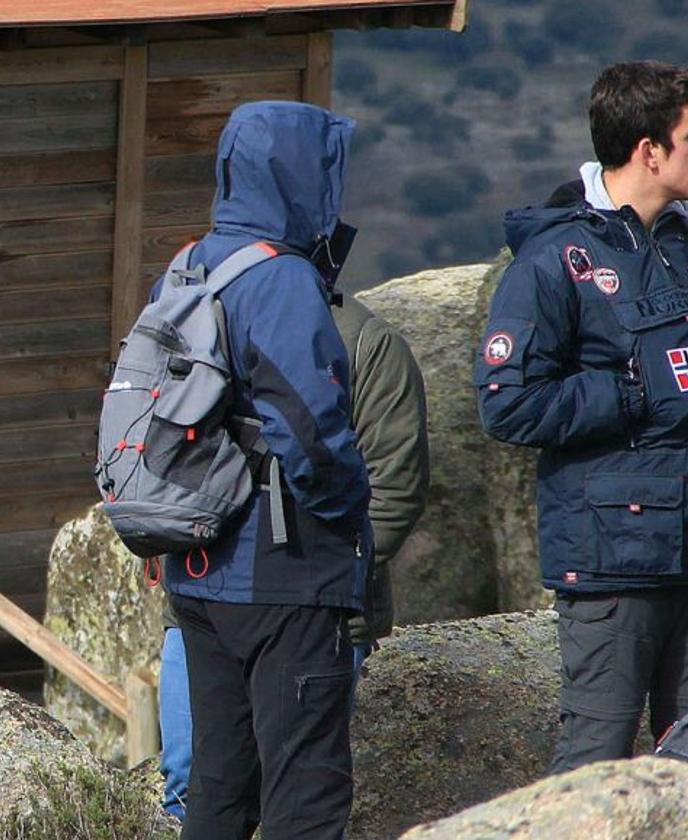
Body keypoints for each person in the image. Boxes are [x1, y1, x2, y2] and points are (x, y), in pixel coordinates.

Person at [476, 61, 688, 773]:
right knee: (596, 765)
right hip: (613, 562)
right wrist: (633, 391)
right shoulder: (554, 261)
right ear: (649, 150)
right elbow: (508, 404)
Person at [159, 100, 373, 840]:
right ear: (300, 175)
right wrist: (349, 513)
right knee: (305, 793)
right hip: (280, 574)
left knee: (219, 785)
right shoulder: (281, 280)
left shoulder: (187, 266)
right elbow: (312, 433)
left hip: (196, 565)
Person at [158, 294, 430, 819]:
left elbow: (394, 490)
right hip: (201, 607)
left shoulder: (366, 344)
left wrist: (324, 583)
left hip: (317, 611)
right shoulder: (198, 325)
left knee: (296, 795)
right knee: (192, 790)